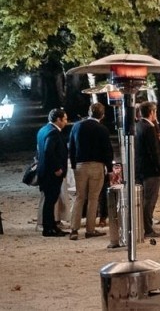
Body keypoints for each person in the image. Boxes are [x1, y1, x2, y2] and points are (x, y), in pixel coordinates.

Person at [68, 102, 112, 240]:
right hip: (96, 165)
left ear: (89, 112)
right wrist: (109, 168)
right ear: (102, 115)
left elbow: (72, 147)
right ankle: (90, 229)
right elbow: (107, 150)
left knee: (79, 197)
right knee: (93, 198)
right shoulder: (102, 129)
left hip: (80, 165)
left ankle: (74, 229)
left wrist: (74, 164)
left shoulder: (77, 126)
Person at [135, 101, 160, 239]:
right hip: (150, 171)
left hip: (140, 168)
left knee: (144, 199)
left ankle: (144, 226)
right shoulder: (149, 128)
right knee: (149, 200)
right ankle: (148, 229)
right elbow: (153, 152)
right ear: (152, 113)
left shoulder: (139, 125)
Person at [36, 108, 69, 236]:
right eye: (65, 119)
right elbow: (48, 151)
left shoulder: (42, 130)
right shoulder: (53, 133)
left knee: (50, 200)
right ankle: (48, 228)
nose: (66, 122)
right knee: (50, 201)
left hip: (44, 171)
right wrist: (57, 168)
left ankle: (52, 226)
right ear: (58, 119)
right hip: (51, 173)